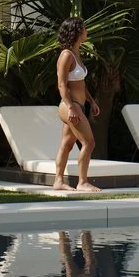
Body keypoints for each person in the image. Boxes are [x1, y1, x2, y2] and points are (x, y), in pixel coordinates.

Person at [52, 16, 100, 194]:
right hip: (70, 106)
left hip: (78, 104)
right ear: (77, 32)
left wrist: (92, 101)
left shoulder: (76, 53)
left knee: (66, 144)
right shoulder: (66, 55)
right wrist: (72, 107)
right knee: (89, 142)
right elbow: (62, 85)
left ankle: (58, 181)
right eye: (84, 28)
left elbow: (80, 84)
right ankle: (83, 182)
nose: (86, 31)